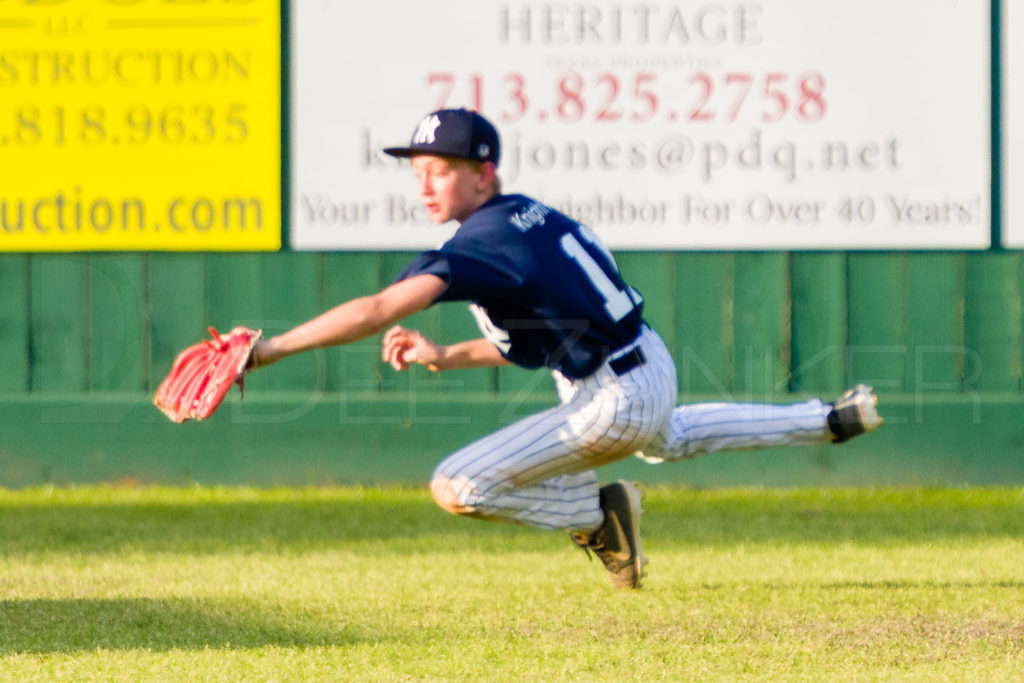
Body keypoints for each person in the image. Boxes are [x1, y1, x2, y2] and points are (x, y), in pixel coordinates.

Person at [250, 108, 883, 590]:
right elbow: (535, 341)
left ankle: (597, 515)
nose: (426, 184)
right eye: (419, 172)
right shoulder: (529, 217)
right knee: (672, 436)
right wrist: (444, 355)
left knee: (458, 486)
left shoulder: (480, 245)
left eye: (442, 170)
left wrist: (269, 349)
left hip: (610, 397)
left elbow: (377, 310)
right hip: (646, 361)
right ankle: (826, 419)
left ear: (484, 173)